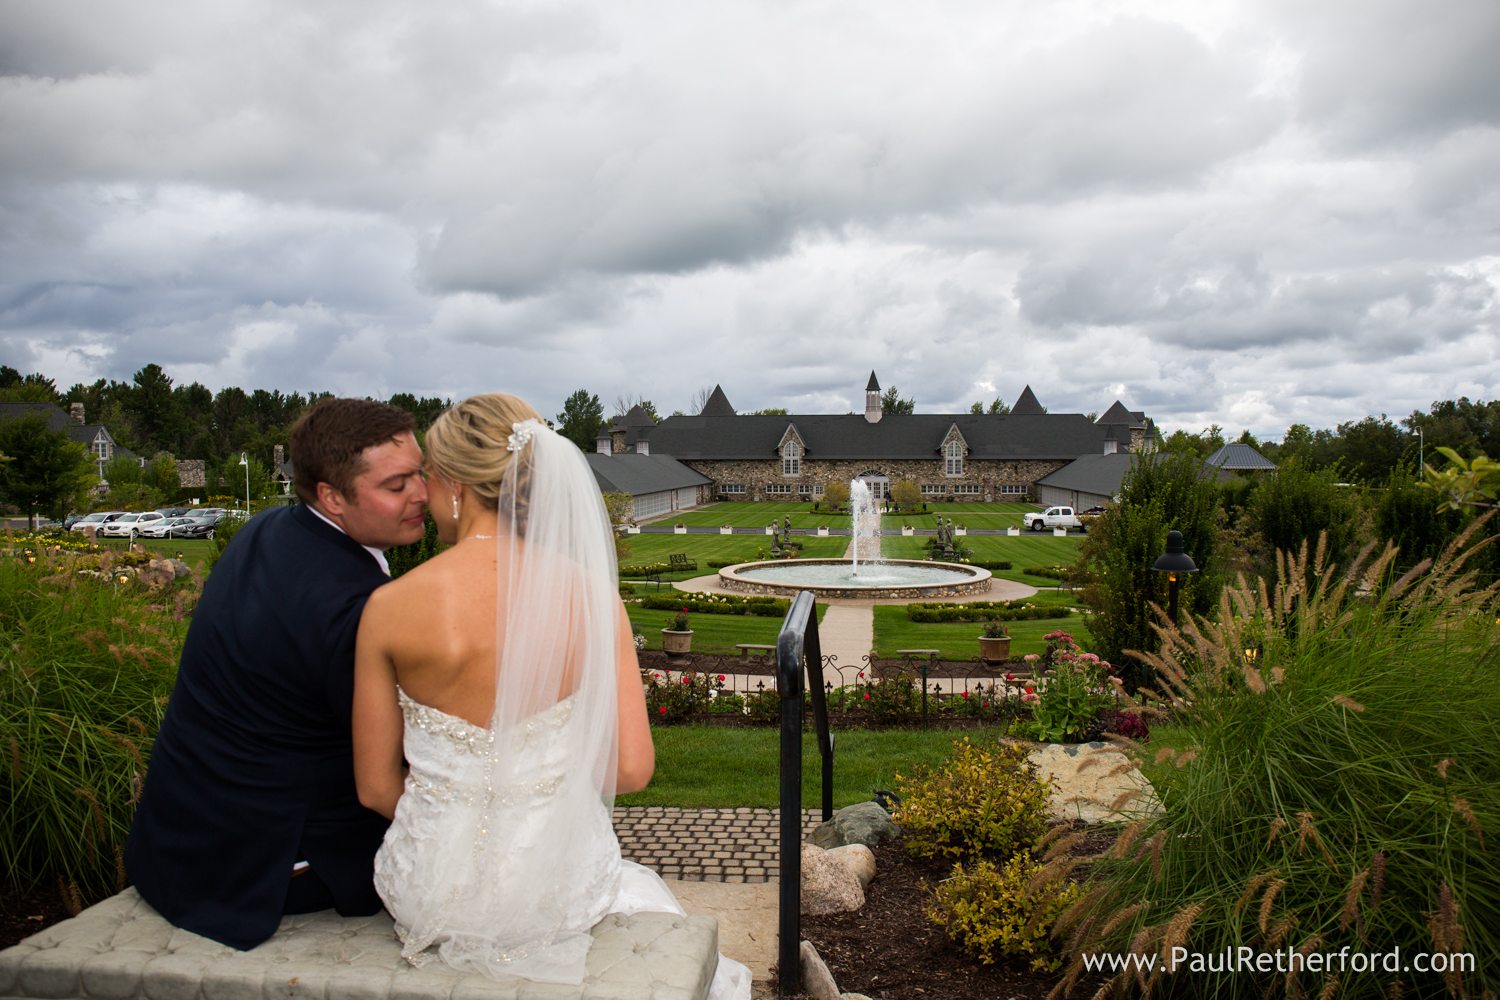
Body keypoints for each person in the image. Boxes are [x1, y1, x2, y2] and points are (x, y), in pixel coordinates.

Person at [353, 393, 750, 997]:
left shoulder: (388, 607)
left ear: (456, 484)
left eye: (429, 478)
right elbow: (634, 768)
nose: (424, 496)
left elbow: (376, 787)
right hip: (556, 889)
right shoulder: (590, 600)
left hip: (428, 889)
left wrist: (459, 815)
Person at [125, 398, 430, 950]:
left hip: (175, 838)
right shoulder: (353, 609)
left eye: (420, 474)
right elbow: (399, 765)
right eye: (397, 485)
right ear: (332, 497)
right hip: (259, 865)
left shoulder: (269, 530)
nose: (423, 495)